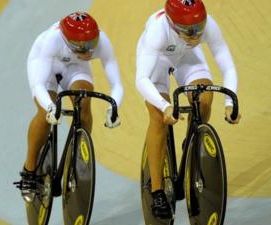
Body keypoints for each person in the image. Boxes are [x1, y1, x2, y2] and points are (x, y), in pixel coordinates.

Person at [135, 0, 241, 219]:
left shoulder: (207, 25)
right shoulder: (157, 31)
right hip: (157, 62)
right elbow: (141, 79)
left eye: (198, 30)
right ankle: (156, 191)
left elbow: (228, 66)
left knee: (205, 97)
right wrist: (165, 106)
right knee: (158, 118)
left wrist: (231, 103)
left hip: (186, 57)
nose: (195, 36)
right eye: (188, 32)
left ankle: (191, 139)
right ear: (173, 25)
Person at [15, 11, 124, 202]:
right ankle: (29, 169)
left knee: (84, 102)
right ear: (67, 41)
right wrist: (50, 107)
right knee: (44, 115)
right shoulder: (52, 40)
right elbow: (39, 84)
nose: (89, 52)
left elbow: (117, 84)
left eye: (91, 45)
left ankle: (78, 156)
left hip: (75, 66)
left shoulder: (100, 42)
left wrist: (114, 108)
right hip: (45, 64)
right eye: (82, 48)